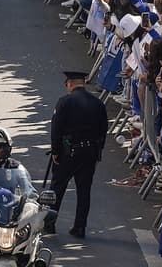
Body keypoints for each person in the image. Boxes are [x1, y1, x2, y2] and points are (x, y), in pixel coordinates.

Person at [44, 69, 109, 240]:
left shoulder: (64, 102)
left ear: (70, 84)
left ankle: (49, 223)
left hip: (68, 152)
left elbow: (56, 130)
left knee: (57, 189)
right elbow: (103, 130)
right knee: (84, 190)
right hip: (89, 152)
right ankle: (80, 226)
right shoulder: (97, 103)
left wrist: (56, 151)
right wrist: (97, 152)